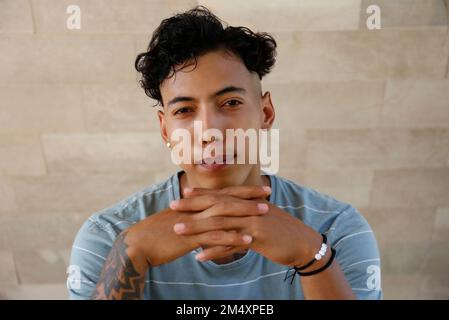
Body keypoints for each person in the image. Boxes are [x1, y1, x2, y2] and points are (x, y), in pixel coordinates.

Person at [68, 6, 382, 300]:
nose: (209, 132)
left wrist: (313, 256)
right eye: (185, 110)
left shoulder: (337, 230)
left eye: (230, 103)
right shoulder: (108, 237)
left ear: (266, 112)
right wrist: (131, 254)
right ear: (165, 130)